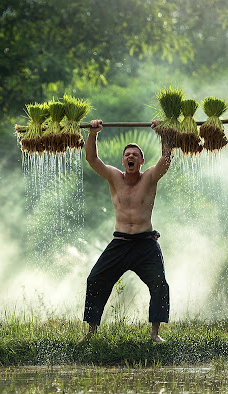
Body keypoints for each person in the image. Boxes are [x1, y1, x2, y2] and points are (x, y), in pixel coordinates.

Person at [82, 119, 173, 342]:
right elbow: (92, 159)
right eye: (127, 155)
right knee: (95, 279)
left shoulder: (150, 177)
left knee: (160, 284)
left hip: (145, 243)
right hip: (120, 242)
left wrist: (163, 134)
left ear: (141, 161)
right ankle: (92, 331)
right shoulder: (114, 177)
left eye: (134, 155)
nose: (130, 157)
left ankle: (155, 334)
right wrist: (93, 133)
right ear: (123, 161)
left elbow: (166, 159)